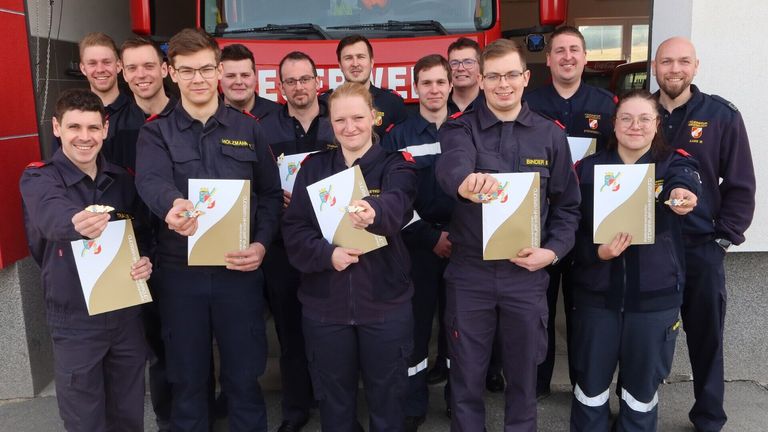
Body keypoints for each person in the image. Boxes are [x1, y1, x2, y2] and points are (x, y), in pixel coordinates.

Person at [135, 28, 283, 431]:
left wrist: (261, 245)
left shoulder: (249, 128)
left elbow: (271, 195)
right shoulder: (155, 131)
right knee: (187, 378)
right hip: (181, 274)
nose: (197, 79)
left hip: (239, 271)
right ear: (171, 73)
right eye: (187, 71)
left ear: (218, 70)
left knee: (244, 376)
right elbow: (149, 180)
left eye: (205, 69)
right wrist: (171, 204)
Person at [435, 39, 580, 431]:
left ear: (526, 78)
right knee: (466, 378)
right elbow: (452, 163)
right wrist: (464, 183)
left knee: (523, 379)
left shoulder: (550, 136)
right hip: (471, 274)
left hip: (525, 274)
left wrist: (551, 253)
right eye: (495, 76)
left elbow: (568, 208)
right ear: (481, 80)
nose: (504, 84)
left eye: (512, 75)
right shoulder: (459, 128)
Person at [282, 82, 417, 432]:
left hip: (385, 304)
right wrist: (327, 255)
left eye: (358, 117)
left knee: (388, 401)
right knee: (334, 402)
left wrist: (374, 211)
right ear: (331, 123)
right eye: (340, 120)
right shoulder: (313, 168)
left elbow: (399, 203)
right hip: (325, 306)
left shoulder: (396, 165)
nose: (350, 127)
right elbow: (295, 229)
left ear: (373, 116)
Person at [20, 88, 153, 431]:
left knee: (129, 415)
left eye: (93, 127)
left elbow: (141, 233)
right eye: (74, 127)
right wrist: (76, 222)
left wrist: (146, 259)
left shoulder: (122, 179)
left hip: (124, 314)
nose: (84, 137)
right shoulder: (39, 177)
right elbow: (50, 214)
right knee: (84, 419)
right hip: (75, 319)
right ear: (57, 128)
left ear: (105, 129)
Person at [569, 89, 701, 431]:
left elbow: (685, 180)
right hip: (596, 299)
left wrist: (682, 193)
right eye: (626, 118)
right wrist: (596, 253)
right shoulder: (586, 170)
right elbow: (568, 231)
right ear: (614, 125)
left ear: (657, 124)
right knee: (590, 390)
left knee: (641, 394)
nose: (635, 126)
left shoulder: (674, 163)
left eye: (645, 119)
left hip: (654, 301)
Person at [652, 36, 756, 432]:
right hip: (649, 245)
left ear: (695, 66)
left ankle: (709, 416)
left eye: (683, 61)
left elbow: (741, 183)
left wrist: (725, 237)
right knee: (644, 336)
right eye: (666, 61)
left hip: (701, 247)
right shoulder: (638, 112)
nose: (674, 69)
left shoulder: (721, 115)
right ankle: (638, 411)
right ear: (655, 66)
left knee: (707, 336)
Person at [523, 25, 617, 398]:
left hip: (589, 226)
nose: (567, 57)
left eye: (574, 50)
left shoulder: (606, 105)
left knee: (583, 310)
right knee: (538, 309)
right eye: (559, 51)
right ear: (548, 60)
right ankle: (536, 383)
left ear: (585, 57)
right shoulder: (529, 103)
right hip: (541, 225)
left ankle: (583, 385)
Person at [257, 50, 335, 432]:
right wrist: (276, 196)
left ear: (318, 81)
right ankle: (295, 409)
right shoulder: (263, 129)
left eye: (305, 79)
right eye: (290, 81)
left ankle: (333, 404)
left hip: (330, 243)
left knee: (332, 331)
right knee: (289, 332)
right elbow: (257, 184)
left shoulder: (337, 121)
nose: (299, 87)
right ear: (280, 86)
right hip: (283, 246)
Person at [381, 54, 455, 431]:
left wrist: (458, 235)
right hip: (416, 245)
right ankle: (413, 402)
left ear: (451, 85)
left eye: (440, 82)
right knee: (416, 327)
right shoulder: (399, 136)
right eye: (426, 83)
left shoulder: (467, 129)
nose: (434, 89)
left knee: (460, 328)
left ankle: (459, 400)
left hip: (463, 245)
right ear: (415, 88)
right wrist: (429, 236)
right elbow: (393, 196)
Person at [119, 35, 177, 431]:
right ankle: (167, 420)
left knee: (193, 340)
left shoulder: (185, 117)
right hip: (136, 249)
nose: (142, 74)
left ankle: (201, 413)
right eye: (133, 68)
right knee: (155, 343)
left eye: (149, 66)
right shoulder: (113, 126)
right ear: (123, 74)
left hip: (183, 244)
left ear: (164, 69)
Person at [320, 34, 407, 137]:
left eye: (361, 57)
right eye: (348, 58)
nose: (355, 64)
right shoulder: (324, 103)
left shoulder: (392, 102)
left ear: (371, 62)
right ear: (340, 65)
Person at [220, 43, 281, 120]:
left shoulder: (279, 116)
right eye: (230, 76)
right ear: (219, 78)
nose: (239, 82)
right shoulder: (208, 116)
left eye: (245, 75)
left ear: (255, 77)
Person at [446, 37, 482, 114]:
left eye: (468, 62)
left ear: (480, 67)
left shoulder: (491, 104)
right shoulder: (440, 104)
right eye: (454, 63)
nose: (460, 68)